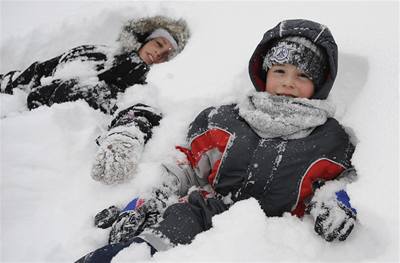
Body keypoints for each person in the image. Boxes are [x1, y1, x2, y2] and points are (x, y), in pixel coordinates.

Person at [76, 19, 358, 262]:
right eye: (279, 71)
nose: (288, 82)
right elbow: (186, 165)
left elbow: (334, 182)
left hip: (270, 234)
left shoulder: (327, 140)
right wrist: (150, 199)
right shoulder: (225, 120)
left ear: (319, 85)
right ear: (264, 74)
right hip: (204, 212)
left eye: (303, 75)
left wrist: (333, 206)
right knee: (145, 249)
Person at [1, 15, 190, 185]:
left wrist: (125, 136)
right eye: (158, 44)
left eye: (167, 54)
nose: (159, 54)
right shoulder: (97, 52)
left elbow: (139, 112)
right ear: (146, 39)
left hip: (48, 145)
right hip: (19, 117)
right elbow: (38, 72)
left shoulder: (140, 89)